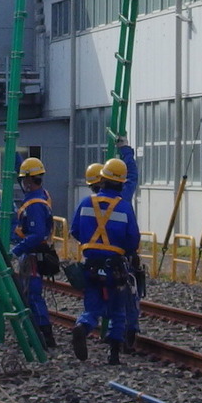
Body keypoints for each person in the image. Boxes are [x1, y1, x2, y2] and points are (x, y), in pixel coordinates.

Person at [70, 145, 139, 364]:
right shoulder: (124, 207)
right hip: (115, 266)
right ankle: (114, 354)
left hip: (91, 264)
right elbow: (133, 240)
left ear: (102, 179)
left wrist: (92, 245)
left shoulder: (85, 202)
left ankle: (83, 325)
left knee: (92, 307)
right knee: (117, 310)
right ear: (121, 183)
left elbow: (74, 231)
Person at [11, 157, 57, 349]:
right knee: (29, 294)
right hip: (34, 255)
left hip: (33, 257)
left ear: (29, 181)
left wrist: (16, 251)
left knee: (33, 295)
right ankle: (40, 332)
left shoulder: (35, 205)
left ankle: (45, 335)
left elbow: (37, 234)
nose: (22, 183)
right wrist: (15, 158)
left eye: (23, 179)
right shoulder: (41, 194)